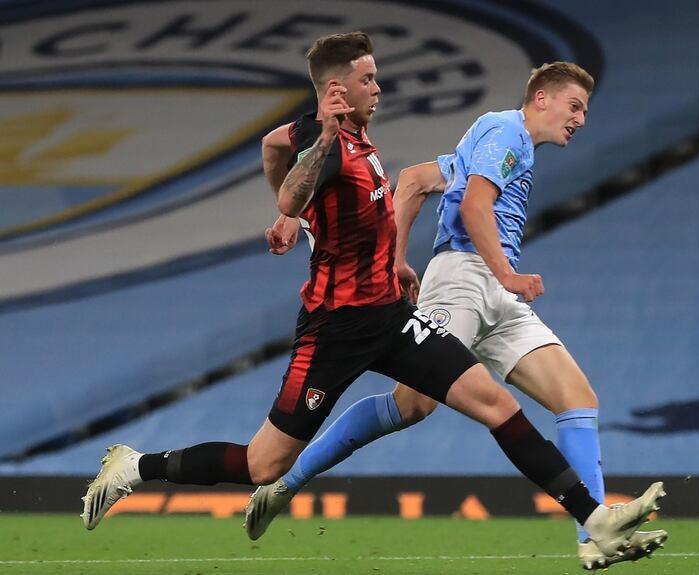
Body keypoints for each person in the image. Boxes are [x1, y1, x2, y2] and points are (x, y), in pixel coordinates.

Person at [79, 33, 665, 563]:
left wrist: (341, 236)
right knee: (263, 463)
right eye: (368, 80)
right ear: (338, 89)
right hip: (335, 328)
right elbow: (289, 191)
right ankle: (134, 467)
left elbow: (269, 147)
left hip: (389, 315)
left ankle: (594, 520)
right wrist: (299, 196)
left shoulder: (357, 137)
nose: (378, 88)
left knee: (495, 404)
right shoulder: (326, 138)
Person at [249, 61, 667, 570]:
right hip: (465, 281)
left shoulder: (498, 145)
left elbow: (415, 180)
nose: (579, 119)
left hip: (494, 289)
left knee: (577, 399)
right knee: (412, 406)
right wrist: (503, 276)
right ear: (540, 98)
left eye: (584, 110)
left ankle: (593, 533)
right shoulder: (505, 131)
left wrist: (396, 259)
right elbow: (473, 207)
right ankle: (285, 481)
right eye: (573, 106)